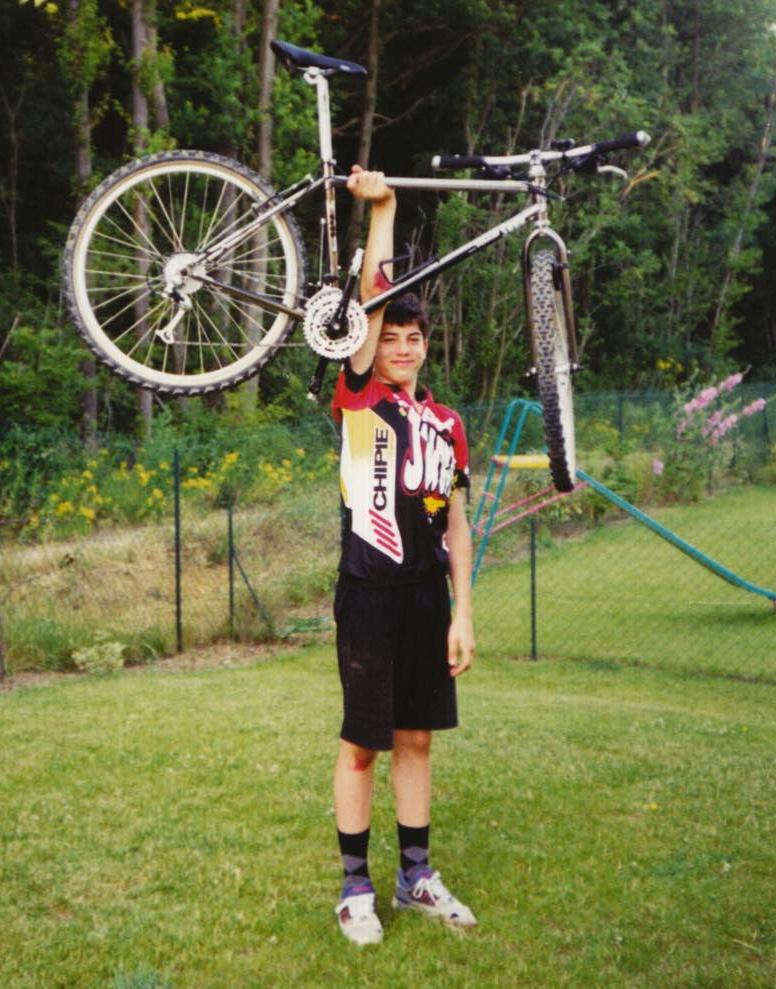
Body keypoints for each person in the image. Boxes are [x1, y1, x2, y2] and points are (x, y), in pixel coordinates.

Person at [329, 164, 477, 945]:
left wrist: (464, 613)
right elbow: (370, 298)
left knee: (417, 738)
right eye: (390, 338)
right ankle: (355, 887)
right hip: (369, 592)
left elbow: (458, 523)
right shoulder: (359, 399)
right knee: (364, 742)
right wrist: (383, 210)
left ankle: (415, 875)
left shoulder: (447, 422)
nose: (403, 348)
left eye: (414, 338)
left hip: (426, 597)